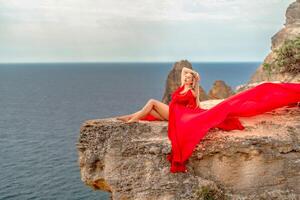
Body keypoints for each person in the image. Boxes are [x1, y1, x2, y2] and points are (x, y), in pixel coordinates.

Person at [116, 67, 300, 173]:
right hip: (172, 112)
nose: (187, 77)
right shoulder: (181, 85)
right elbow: (185, 70)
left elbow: (196, 105)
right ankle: (129, 118)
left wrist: (196, 80)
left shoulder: (192, 91)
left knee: (151, 103)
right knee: (149, 110)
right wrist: (191, 74)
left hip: (179, 115)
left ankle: (131, 120)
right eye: (186, 77)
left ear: (194, 81)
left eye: (190, 77)